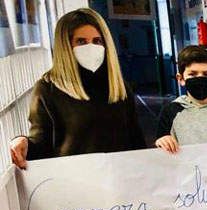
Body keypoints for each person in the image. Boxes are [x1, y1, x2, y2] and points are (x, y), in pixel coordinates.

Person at [8, 8, 145, 169]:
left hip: (120, 181)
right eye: (81, 41)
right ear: (65, 46)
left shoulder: (119, 87)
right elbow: (41, 145)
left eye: (97, 41)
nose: (91, 47)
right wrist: (23, 143)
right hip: (75, 184)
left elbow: (136, 142)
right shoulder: (48, 89)